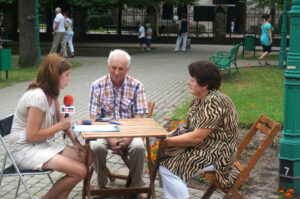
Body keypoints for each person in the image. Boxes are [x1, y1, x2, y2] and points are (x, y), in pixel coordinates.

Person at [5, 53, 93, 199]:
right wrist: (60, 126)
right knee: (80, 171)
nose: (69, 79)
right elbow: (31, 135)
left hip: (41, 145)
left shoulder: (52, 95)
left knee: (88, 157)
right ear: (55, 76)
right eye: (67, 75)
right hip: (24, 149)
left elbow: (63, 123)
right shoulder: (36, 97)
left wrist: (76, 143)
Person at [159, 61, 240, 199]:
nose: (187, 83)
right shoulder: (200, 98)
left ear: (204, 85)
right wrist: (167, 137)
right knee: (165, 162)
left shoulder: (215, 101)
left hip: (218, 153)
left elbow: (197, 137)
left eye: (192, 80)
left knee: (169, 168)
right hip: (205, 147)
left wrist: (167, 141)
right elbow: (190, 128)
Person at [88, 49, 148, 199]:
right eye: (113, 67)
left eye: (121, 68)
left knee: (139, 147)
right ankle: (101, 186)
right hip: (104, 132)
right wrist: (109, 138)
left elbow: (139, 119)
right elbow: (94, 119)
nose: (116, 71)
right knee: (95, 146)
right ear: (108, 66)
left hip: (130, 132)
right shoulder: (97, 85)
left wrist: (127, 138)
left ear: (127, 69)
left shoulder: (137, 86)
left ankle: (135, 187)